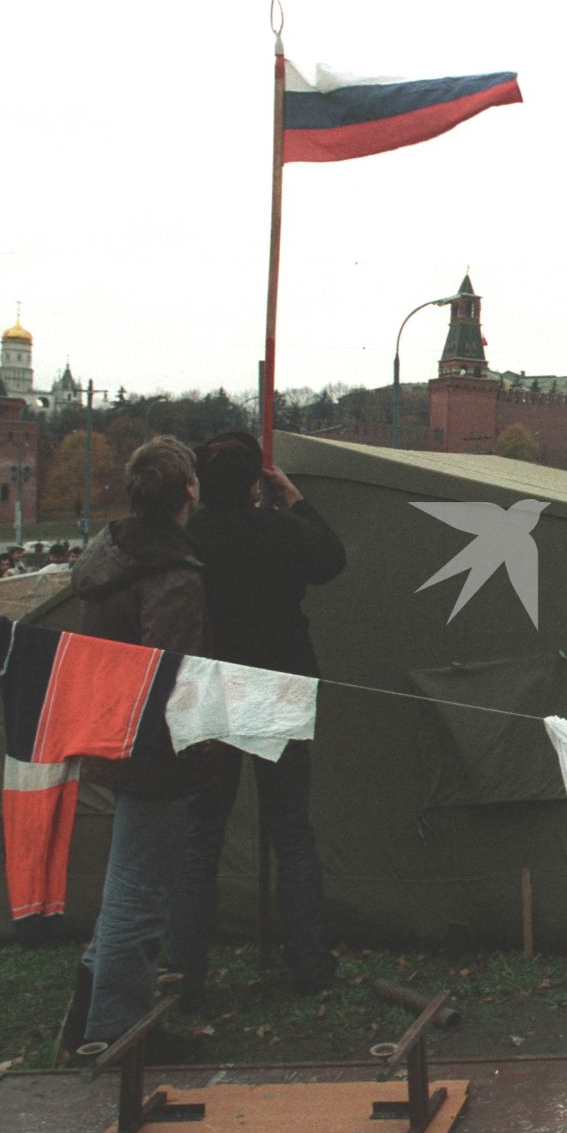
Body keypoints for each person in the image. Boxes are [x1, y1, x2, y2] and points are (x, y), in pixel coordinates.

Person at [169, 431, 347, 1006]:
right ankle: (310, 963)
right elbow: (331, 559)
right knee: (290, 828)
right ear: (254, 483)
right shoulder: (276, 529)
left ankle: (185, 972)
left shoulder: (187, 537)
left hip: (211, 684)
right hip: (277, 683)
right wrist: (293, 500)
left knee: (201, 836)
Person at [58, 436, 211, 1062]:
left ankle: (92, 1015)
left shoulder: (110, 556)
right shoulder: (170, 571)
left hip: (113, 732)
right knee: (140, 892)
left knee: (129, 880)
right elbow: (170, 672)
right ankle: (117, 1031)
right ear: (188, 493)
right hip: (151, 747)